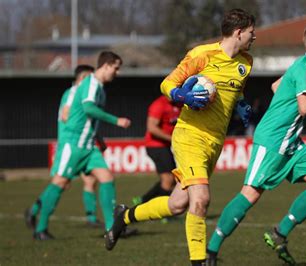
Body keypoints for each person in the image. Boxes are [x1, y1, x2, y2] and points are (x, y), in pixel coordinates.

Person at [105, 9, 256, 266]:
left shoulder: (246, 63)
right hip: (190, 136)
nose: (255, 37)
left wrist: (241, 105)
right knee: (201, 199)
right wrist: (182, 96)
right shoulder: (202, 54)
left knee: (178, 204)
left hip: (214, 142)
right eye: (252, 33)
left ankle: (125, 216)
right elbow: (167, 84)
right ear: (239, 32)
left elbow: (237, 90)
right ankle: (199, 261)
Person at [206, 24, 306, 265]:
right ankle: (211, 251)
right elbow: (304, 106)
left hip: (291, 142)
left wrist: (294, 113)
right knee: (250, 194)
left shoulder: (303, 67)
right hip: (273, 140)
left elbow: (276, 87)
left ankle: (279, 233)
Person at [24, 51, 131, 240]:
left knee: (106, 178)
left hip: (89, 146)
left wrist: (100, 141)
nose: (118, 72)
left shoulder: (100, 89)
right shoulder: (90, 83)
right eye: (116, 68)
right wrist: (117, 121)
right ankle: (40, 228)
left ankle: (111, 229)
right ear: (106, 66)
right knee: (60, 183)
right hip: (73, 144)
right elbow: (88, 108)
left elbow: (90, 118)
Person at [24, 65, 105, 228]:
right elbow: (67, 114)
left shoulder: (85, 93)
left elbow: (87, 122)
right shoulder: (73, 92)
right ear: (82, 78)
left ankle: (91, 218)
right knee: (62, 182)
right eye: (90, 78)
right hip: (69, 145)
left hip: (83, 145)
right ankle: (34, 212)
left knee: (91, 179)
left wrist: (97, 138)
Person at [132, 95, 180, 206]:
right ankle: (165, 212)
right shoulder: (159, 104)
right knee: (168, 180)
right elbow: (152, 127)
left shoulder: (179, 103)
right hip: (155, 146)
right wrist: (172, 138)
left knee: (172, 179)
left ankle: (142, 200)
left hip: (165, 146)